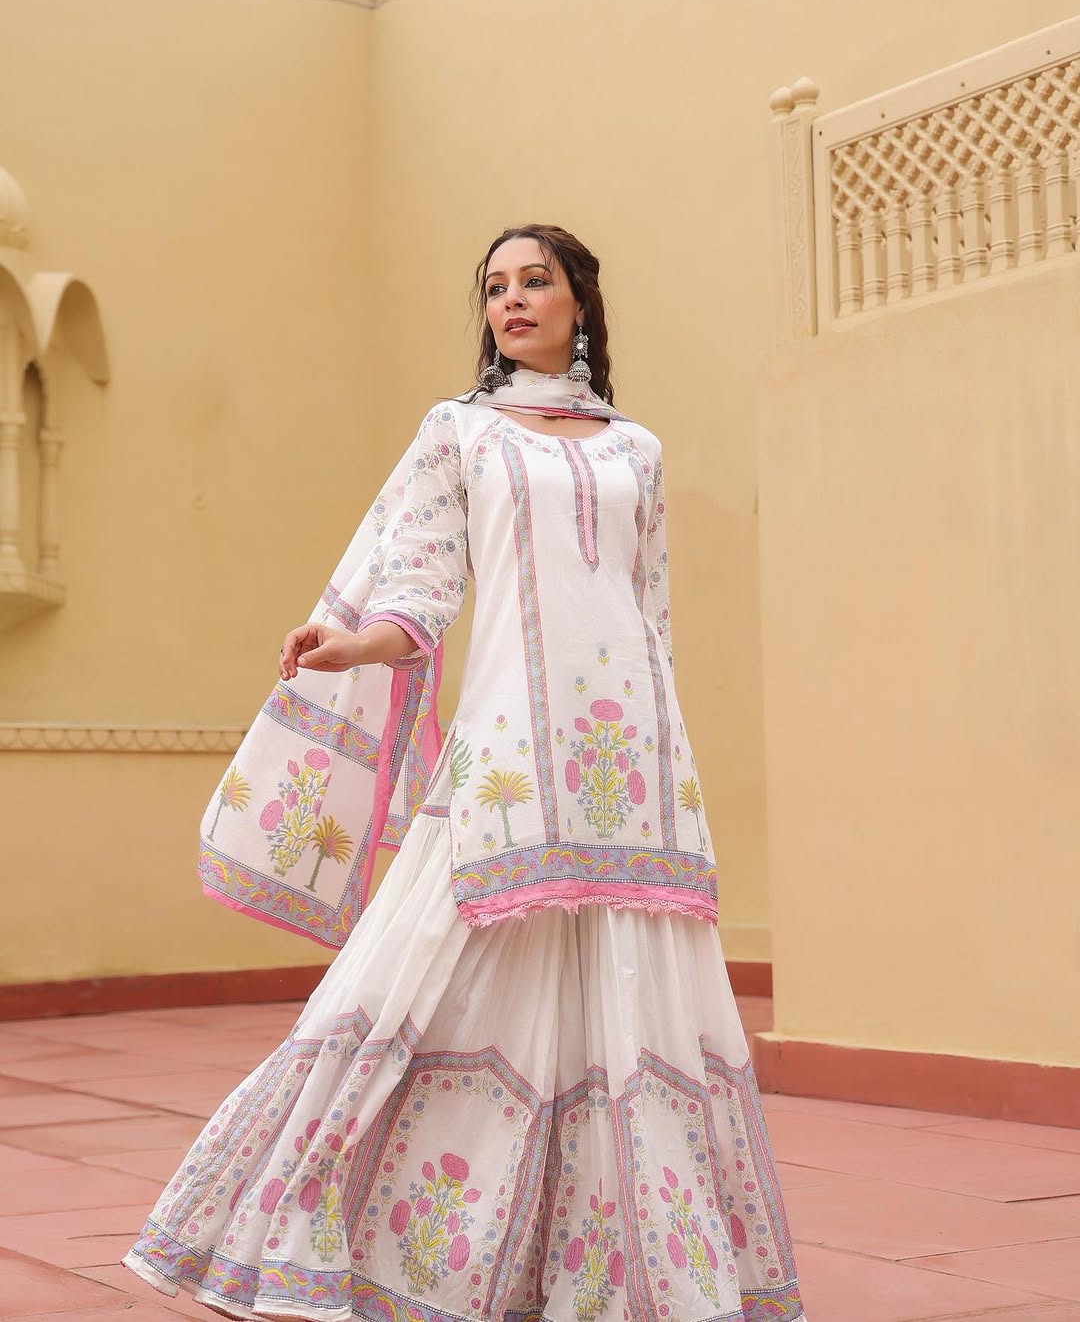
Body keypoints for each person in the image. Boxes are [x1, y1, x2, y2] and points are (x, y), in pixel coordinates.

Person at [123, 224, 806, 1321]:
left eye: (536, 281)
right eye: (495, 287)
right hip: (506, 748)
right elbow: (425, 583)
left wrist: (666, 748)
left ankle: (616, 1271)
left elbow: (652, 608)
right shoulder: (460, 433)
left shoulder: (638, 449)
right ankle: (325, 1229)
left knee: (630, 1000)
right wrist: (357, 641)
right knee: (413, 970)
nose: (513, 301)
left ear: (580, 301)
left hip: (630, 757)